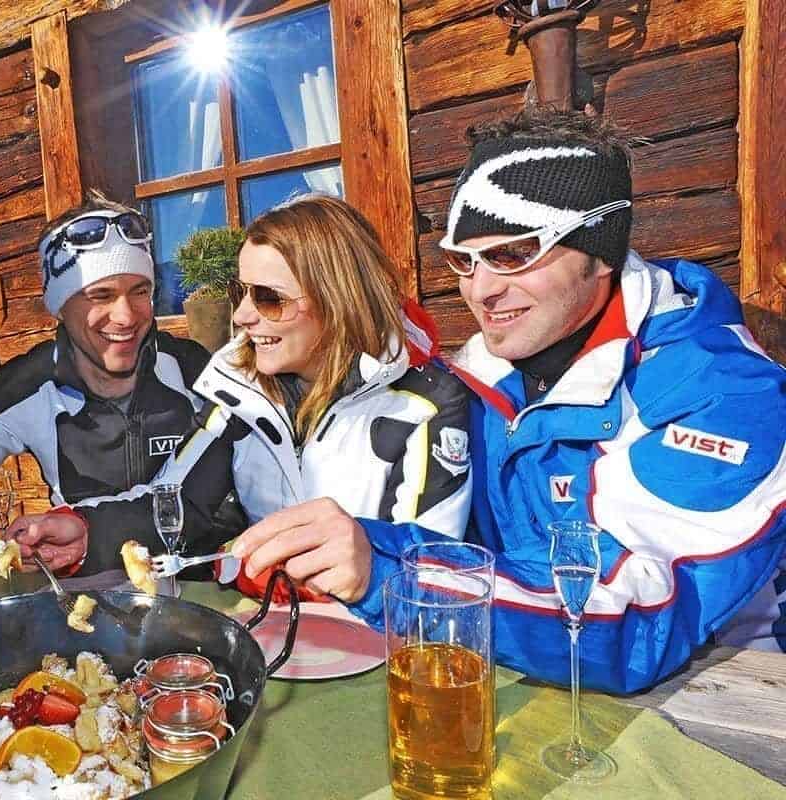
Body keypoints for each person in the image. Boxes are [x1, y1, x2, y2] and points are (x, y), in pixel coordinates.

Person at [235, 108, 786, 693]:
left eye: (513, 254)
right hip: (532, 681)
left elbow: (636, 622)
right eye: (464, 260)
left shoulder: (722, 392)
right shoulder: (479, 377)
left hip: (720, 703)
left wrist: (384, 567)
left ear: (600, 250)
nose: (481, 290)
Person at [7, 194, 473, 606]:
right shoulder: (239, 386)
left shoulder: (424, 402)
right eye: (241, 291)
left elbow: (432, 575)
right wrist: (86, 533)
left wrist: (298, 575)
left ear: (338, 299)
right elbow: (177, 501)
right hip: (273, 635)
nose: (244, 315)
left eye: (269, 298)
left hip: (379, 647)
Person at [0, 193, 229, 573]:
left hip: (201, 588)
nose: (126, 316)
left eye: (141, 291)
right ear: (60, 306)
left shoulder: (191, 370)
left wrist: (90, 531)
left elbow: (205, 491)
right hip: (86, 595)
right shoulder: (29, 384)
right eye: (100, 295)